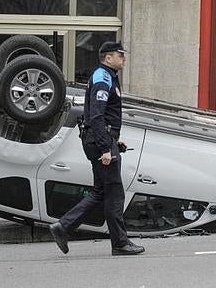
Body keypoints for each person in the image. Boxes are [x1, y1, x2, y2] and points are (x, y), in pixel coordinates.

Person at [49, 41, 145, 255]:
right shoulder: (103, 78)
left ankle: (63, 227)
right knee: (114, 193)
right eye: (120, 55)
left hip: (101, 140)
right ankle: (119, 243)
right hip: (99, 142)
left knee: (102, 191)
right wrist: (105, 148)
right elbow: (97, 115)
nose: (124, 58)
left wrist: (113, 141)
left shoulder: (107, 76)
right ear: (108, 58)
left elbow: (101, 116)